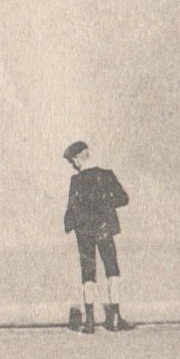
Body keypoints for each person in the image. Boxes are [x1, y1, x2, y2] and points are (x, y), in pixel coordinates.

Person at [62, 141, 133, 334]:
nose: (73, 165)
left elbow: (71, 210)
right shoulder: (106, 175)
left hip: (84, 231)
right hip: (104, 228)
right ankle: (116, 318)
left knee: (88, 271)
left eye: (72, 161)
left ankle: (89, 321)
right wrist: (104, 204)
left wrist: (71, 225)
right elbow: (123, 198)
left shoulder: (76, 181)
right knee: (112, 269)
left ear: (78, 159)